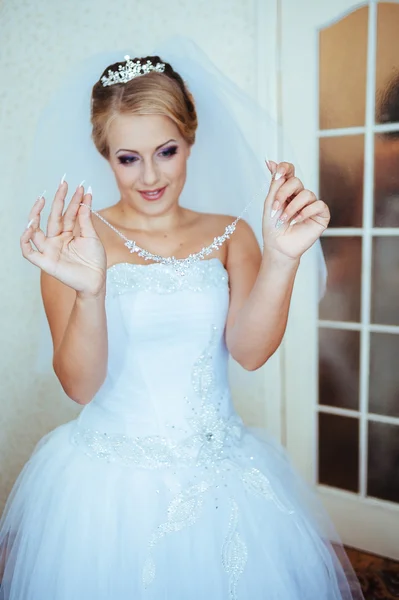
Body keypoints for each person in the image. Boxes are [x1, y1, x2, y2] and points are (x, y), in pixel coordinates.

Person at [0, 49, 364, 599]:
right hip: (109, 488)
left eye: (166, 151)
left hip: (224, 476)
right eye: (128, 158)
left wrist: (283, 258)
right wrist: (91, 291)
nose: (150, 176)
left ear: (190, 137)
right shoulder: (74, 244)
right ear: (104, 152)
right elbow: (80, 385)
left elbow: (249, 351)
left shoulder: (232, 234)